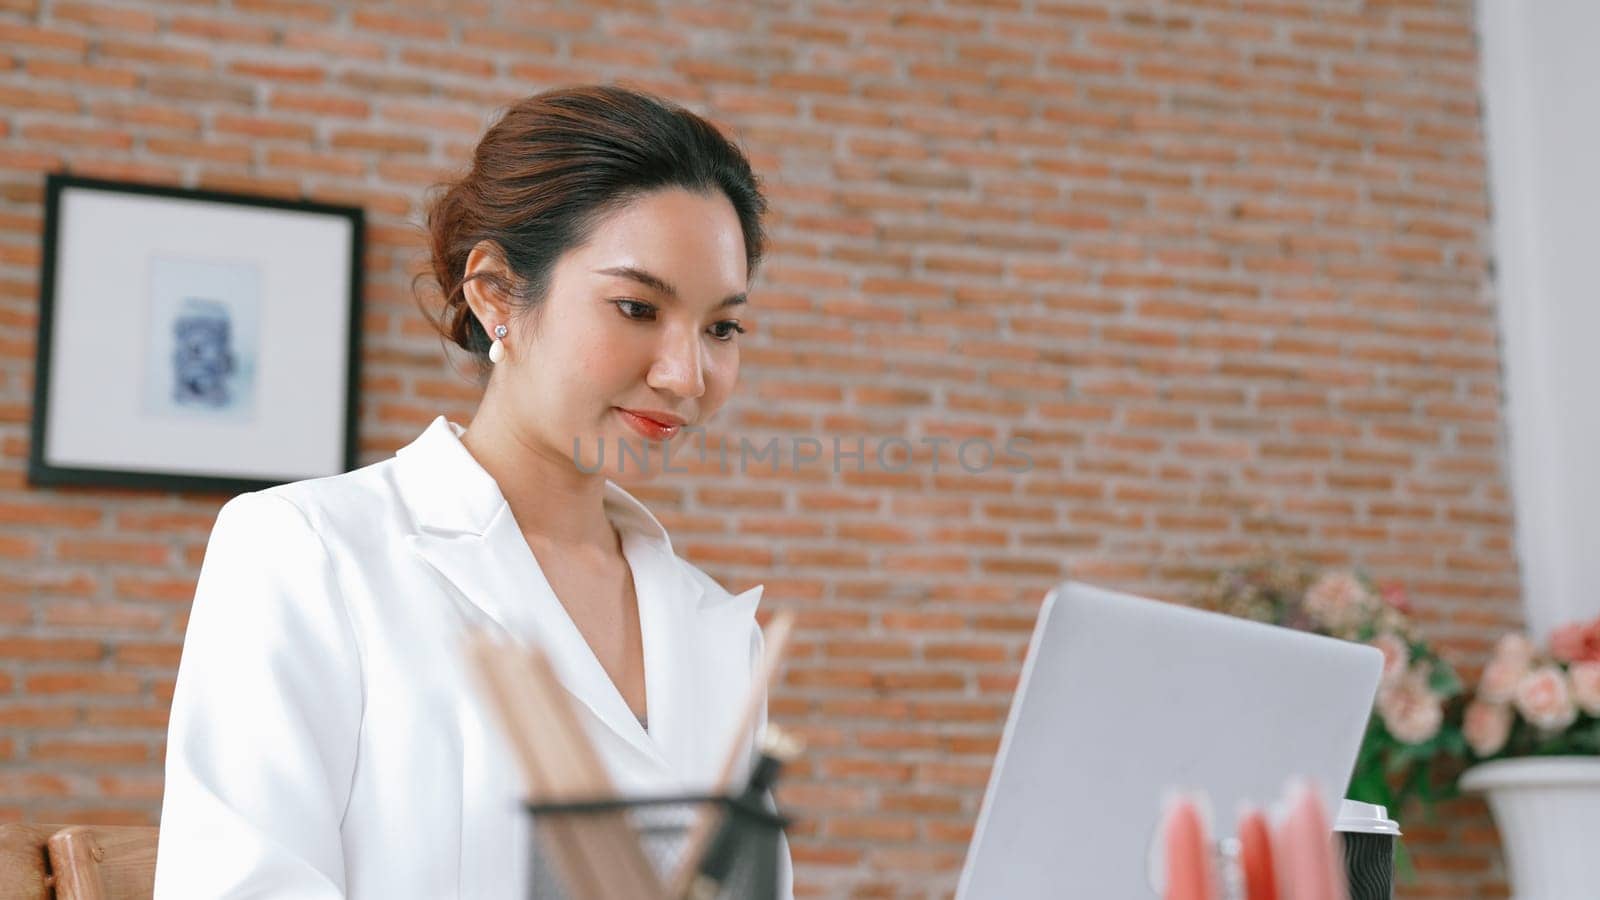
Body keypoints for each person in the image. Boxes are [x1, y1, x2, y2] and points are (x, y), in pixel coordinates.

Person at [153, 83, 791, 899]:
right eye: (637, 307)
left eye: (721, 327)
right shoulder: (307, 553)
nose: (685, 375)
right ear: (494, 293)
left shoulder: (717, 631)